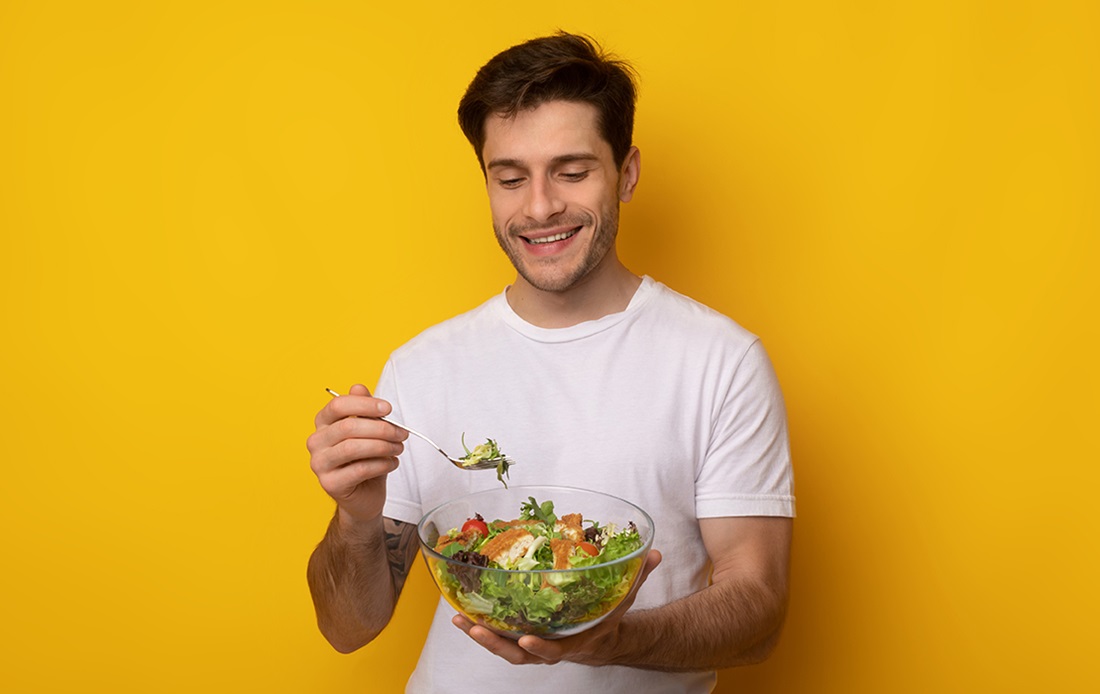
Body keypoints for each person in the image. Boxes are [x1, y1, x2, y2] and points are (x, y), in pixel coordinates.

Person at [306, 32, 795, 693]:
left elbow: (758, 612)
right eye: (510, 178)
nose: (539, 207)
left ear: (626, 172)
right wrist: (356, 518)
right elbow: (347, 627)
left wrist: (613, 642)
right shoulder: (423, 366)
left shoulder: (721, 361)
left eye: (571, 171)